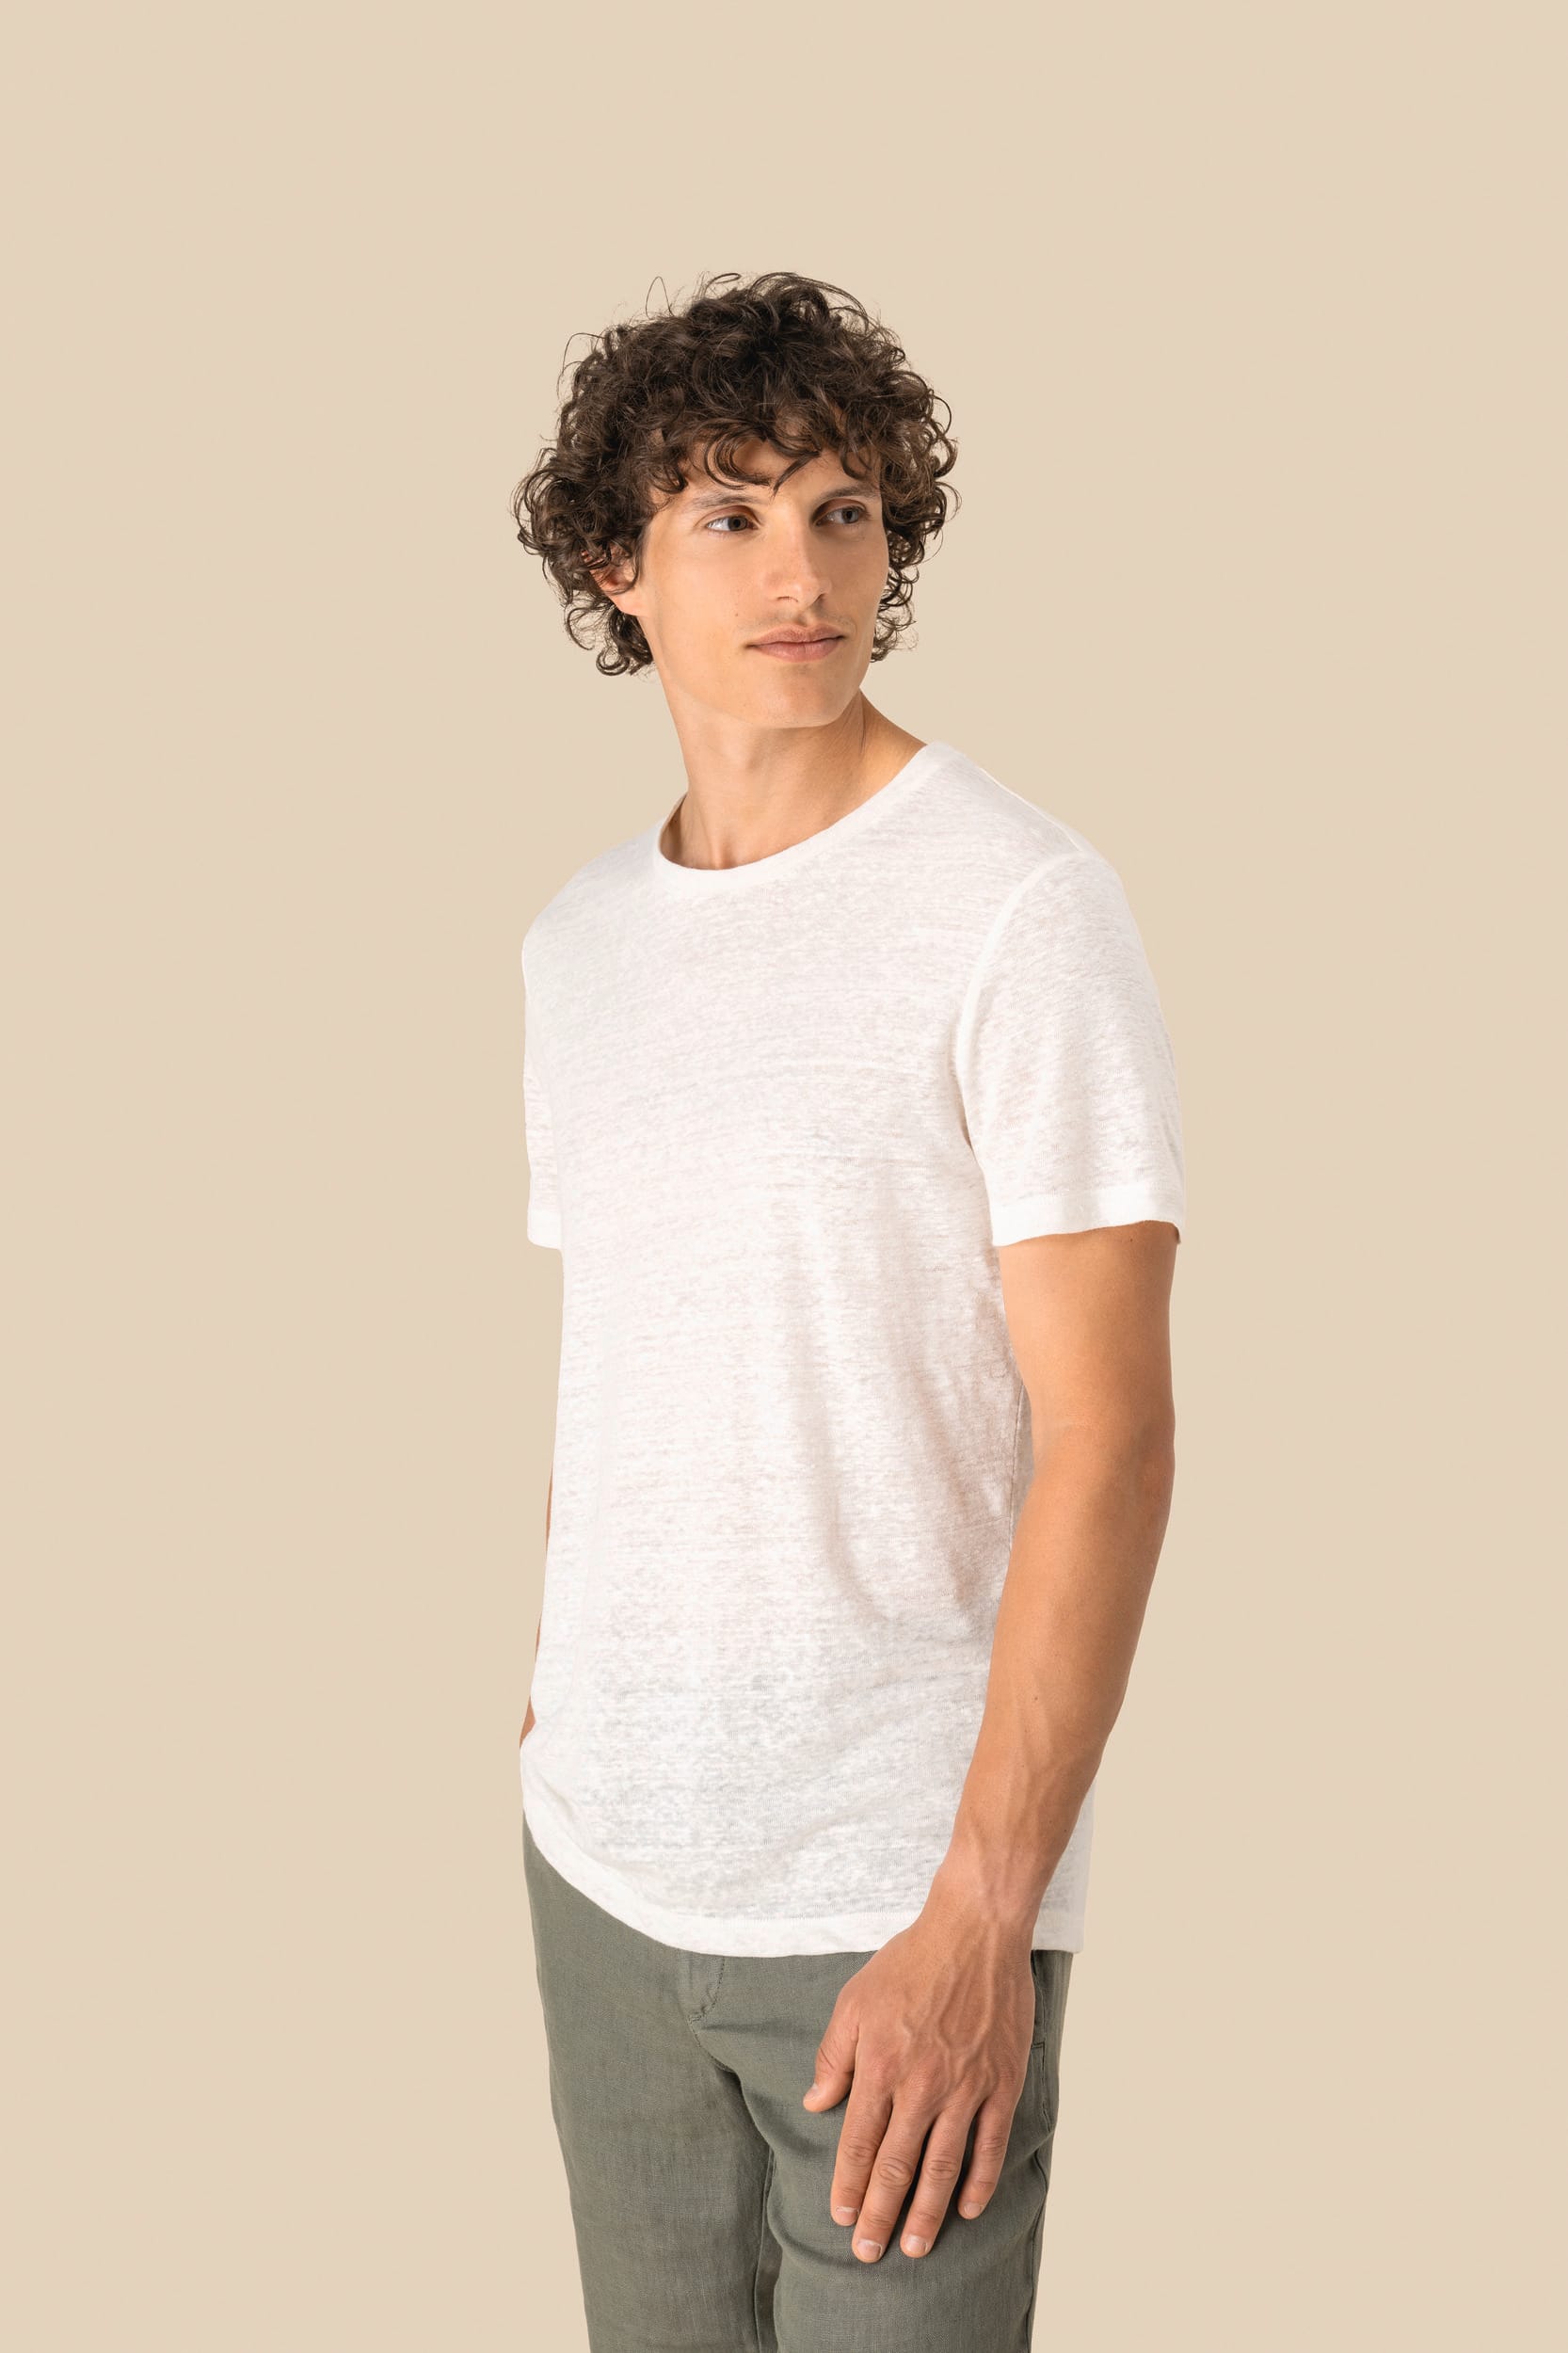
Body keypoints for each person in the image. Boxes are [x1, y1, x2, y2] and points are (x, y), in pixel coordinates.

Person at [508, 269, 1184, 2352]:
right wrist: (555, 1696)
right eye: (727, 515)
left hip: (889, 1902)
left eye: (843, 510)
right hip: (602, 1863)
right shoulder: (578, 941)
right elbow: (641, 1353)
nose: (801, 573)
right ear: (616, 566)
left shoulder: (1016, 907)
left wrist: (982, 1911)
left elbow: (1111, 1436)